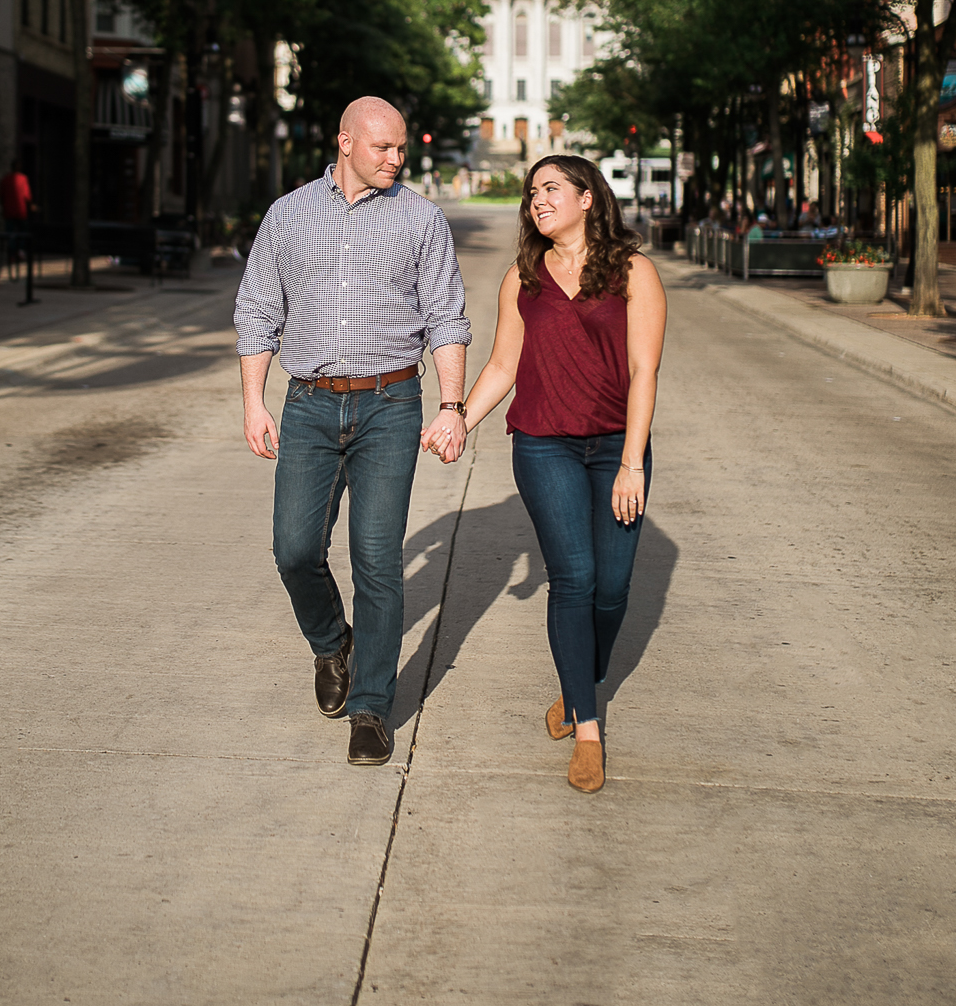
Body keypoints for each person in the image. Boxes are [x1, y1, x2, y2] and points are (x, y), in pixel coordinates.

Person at [234, 96, 472, 767]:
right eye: (384, 148)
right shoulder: (288, 216)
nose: (397, 159)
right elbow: (256, 312)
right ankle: (330, 641)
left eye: (402, 149)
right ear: (345, 143)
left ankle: (371, 707)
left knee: (377, 559)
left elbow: (446, 319)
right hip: (309, 403)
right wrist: (255, 402)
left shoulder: (421, 219)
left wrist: (451, 408)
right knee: (292, 549)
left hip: (390, 404)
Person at [441, 155, 666, 793]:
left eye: (550, 189)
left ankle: (574, 688)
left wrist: (631, 464)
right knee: (575, 579)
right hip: (544, 445)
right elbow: (503, 364)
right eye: (531, 192)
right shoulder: (524, 276)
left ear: (588, 197)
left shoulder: (633, 272)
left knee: (614, 588)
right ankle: (587, 728)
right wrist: (458, 417)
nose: (537, 201)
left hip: (618, 445)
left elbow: (645, 372)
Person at [0, 159, 33, 264]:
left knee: (10, 233)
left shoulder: (5, 179)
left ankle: (12, 253)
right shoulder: (23, 179)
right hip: (20, 211)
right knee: (22, 232)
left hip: (8, 211)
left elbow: (1, 196)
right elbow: (27, 196)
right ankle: (20, 251)